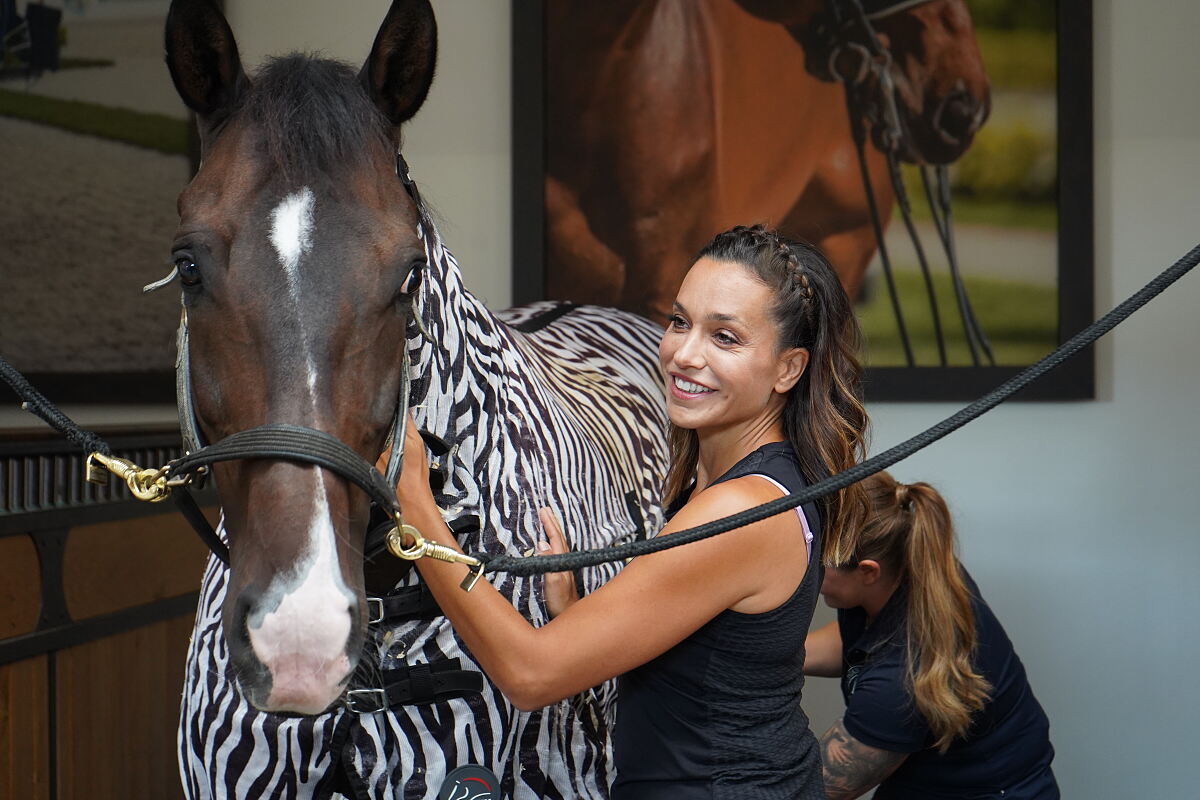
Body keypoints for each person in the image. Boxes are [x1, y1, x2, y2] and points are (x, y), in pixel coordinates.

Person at [389, 224, 869, 798]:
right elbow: (698, 666)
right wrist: (577, 613)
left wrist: (417, 508)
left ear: (788, 369)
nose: (684, 354)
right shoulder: (747, 480)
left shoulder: (744, 509)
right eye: (680, 321)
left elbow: (530, 675)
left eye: (726, 338)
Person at [805, 471, 1059, 800]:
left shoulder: (899, 683)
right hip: (935, 777)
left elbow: (811, 790)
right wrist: (761, 659)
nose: (806, 573)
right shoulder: (915, 564)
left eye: (817, 565)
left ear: (868, 571)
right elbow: (861, 642)